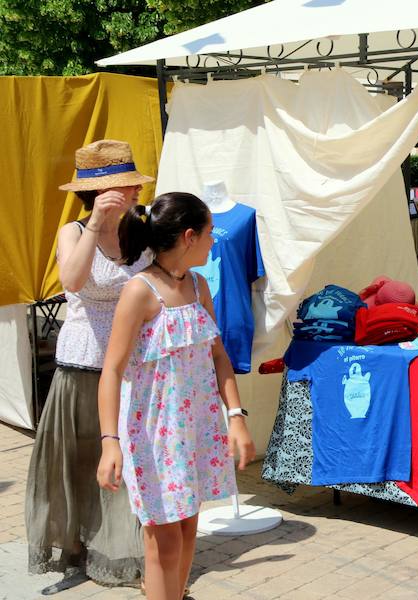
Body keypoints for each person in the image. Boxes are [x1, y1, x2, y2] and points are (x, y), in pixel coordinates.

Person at [96, 192, 255, 600]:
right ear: (188, 237)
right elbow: (111, 370)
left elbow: (218, 355)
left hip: (195, 431)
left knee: (186, 531)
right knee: (162, 542)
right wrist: (109, 443)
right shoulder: (140, 291)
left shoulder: (200, 286)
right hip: (154, 437)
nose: (213, 242)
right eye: (207, 234)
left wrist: (235, 415)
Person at [25, 140, 154, 594]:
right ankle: (80, 546)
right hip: (84, 361)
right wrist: (96, 222)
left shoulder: (144, 228)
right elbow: (73, 281)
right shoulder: (73, 232)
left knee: (132, 462)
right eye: (127, 183)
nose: (137, 188)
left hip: (135, 363)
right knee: (82, 460)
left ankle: (134, 553)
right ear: (102, 191)